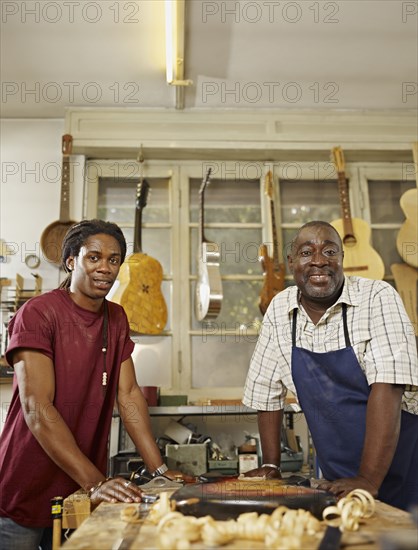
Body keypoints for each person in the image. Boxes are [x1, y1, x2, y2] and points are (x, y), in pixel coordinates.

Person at [0, 219, 171, 550]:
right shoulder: (37, 313)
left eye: (114, 259)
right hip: (26, 483)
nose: (104, 267)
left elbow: (129, 394)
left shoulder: (116, 318)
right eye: (93, 257)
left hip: (79, 493)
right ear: (71, 261)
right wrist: (97, 483)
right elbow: (37, 407)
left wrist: (160, 471)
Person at [243, 220, 418, 511]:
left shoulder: (377, 296)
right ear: (291, 261)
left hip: (404, 467)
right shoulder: (279, 309)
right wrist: (271, 465)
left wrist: (368, 479)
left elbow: (388, 386)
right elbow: (266, 391)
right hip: (339, 482)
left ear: (342, 259)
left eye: (330, 251)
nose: (319, 261)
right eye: (307, 252)